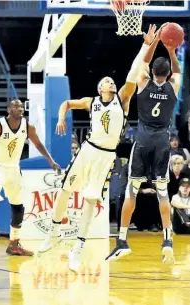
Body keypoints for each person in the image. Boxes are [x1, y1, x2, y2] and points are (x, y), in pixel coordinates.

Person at [38, 25, 157, 272]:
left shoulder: (122, 99)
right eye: (105, 80)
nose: (109, 80)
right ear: (99, 88)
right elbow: (66, 103)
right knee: (64, 190)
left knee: (90, 201)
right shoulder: (90, 102)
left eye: (111, 79)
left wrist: (146, 46)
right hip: (87, 150)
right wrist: (61, 118)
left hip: (105, 156)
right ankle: (54, 232)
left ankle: (77, 250)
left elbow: (134, 72)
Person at [106, 25, 181, 263]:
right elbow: (177, 71)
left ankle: (122, 241)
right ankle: (167, 240)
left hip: (142, 141)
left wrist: (152, 43)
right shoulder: (173, 87)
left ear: (152, 73)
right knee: (162, 194)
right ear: (167, 74)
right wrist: (171, 50)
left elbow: (142, 65)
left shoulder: (143, 83)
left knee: (132, 191)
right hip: (161, 142)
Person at [0, 99, 60, 260]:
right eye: (16, 106)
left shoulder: (28, 127)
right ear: (8, 109)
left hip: (14, 168)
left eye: (21, 106)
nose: (20, 108)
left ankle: (14, 244)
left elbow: (38, 144)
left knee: (18, 207)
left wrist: (51, 160)